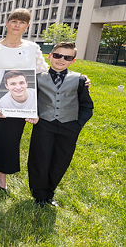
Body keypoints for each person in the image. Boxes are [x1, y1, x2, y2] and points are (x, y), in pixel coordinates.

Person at [0, 8, 48, 193]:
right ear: (7, 23)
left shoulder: (33, 48)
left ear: (27, 26)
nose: (17, 25)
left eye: (22, 22)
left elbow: (43, 73)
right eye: (14, 21)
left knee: (11, 140)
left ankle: (3, 174)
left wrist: (34, 107)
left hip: (23, 102)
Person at [27, 42, 93, 207]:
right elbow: (29, 101)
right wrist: (32, 113)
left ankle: (50, 194)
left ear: (73, 60)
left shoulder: (79, 80)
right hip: (44, 125)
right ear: (50, 56)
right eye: (57, 55)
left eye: (67, 57)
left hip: (69, 127)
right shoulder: (37, 78)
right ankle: (39, 195)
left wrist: (78, 124)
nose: (61, 59)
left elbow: (87, 105)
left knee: (60, 161)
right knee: (39, 159)